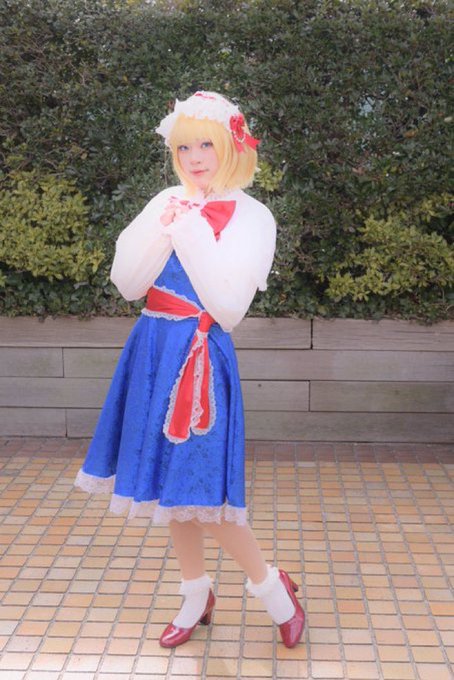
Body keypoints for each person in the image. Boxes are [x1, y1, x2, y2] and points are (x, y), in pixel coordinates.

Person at [73, 91, 305, 649]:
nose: (195, 157)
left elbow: (228, 308)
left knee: (202, 487)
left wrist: (193, 233)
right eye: (183, 147)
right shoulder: (166, 200)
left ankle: (273, 589)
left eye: (206, 144)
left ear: (232, 146)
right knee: (170, 488)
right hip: (152, 348)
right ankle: (195, 593)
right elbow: (129, 284)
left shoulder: (253, 217)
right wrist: (164, 227)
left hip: (201, 357)